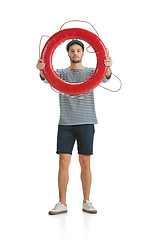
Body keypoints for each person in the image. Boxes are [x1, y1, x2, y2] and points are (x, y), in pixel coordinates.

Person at [36, 39, 113, 215]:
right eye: (72, 51)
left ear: (83, 52)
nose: (75, 54)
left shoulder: (91, 72)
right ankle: (62, 203)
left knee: (85, 162)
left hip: (86, 121)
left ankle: (86, 201)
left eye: (78, 50)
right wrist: (41, 70)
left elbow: (107, 78)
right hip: (66, 123)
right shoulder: (61, 73)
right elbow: (45, 79)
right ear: (68, 53)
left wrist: (108, 66)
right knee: (63, 162)